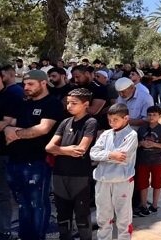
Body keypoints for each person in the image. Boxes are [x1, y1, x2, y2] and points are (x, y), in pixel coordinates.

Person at [4, 70, 62, 240]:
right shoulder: (24, 103)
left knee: (37, 204)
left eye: (30, 84)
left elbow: (43, 129)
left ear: (43, 83)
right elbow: (10, 123)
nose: (26, 88)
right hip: (15, 160)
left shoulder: (52, 104)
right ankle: (25, 235)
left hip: (37, 162)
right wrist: (10, 129)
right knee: (23, 204)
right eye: (25, 84)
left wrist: (16, 134)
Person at [45, 88, 98, 240]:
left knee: (81, 213)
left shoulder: (91, 122)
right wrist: (68, 150)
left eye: (74, 103)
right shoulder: (65, 122)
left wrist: (58, 150)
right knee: (62, 213)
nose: (69, 106)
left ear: (86, 104)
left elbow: (81, 149)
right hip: (60, 174)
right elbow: (48, 147)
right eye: (68, 103)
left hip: (79, 175)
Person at [90, 104, 138, 240]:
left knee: (123, 217)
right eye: (109, 120)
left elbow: (123, 157)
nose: (112, 123)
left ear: (126, 118)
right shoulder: (105, 134)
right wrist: (111, 155)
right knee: (103, 216)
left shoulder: (131, 135)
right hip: (102, 180)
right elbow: (93, 153)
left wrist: (104, 156)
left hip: (121, 181)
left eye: (115, 120)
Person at [135, 106, 161, 216]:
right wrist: (141, 143)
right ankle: (144, 205)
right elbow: (135, 144)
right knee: (143, 184)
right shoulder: (142, 129)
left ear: (159, 116)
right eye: (149, 115)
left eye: (154, 115)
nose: (151, 117)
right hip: (143, 160)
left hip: (157, 160)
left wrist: (154, 144)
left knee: (156, 184)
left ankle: (155, 205)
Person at [0, 74, 19, 240]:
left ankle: (4, 230)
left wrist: (5, 124)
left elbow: (4, 123)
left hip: (2, 153)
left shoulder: (10, 98)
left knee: (2, 194)